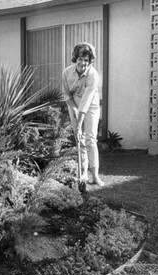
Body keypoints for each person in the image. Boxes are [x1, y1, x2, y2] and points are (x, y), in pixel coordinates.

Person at [62, 42, 104, 186]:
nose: (83, 63)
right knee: (79, 140)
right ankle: (83, 174)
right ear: (75, 58)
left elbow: (86, 102)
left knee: (90, 140)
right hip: (73, 105)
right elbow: (66, 94)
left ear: (90, 61)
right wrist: (73, 108)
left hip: (90, 108)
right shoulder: (67, 72)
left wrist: (79, 123)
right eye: (80, 59)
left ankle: (95, 176)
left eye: (86, 60)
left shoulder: (93, 75)